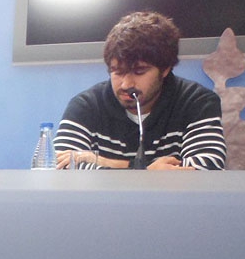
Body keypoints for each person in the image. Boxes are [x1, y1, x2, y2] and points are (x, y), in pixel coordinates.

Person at [54, 11, 225, 170]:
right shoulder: (86, 105)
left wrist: (106, 163)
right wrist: (148, 172)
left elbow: (207, 166)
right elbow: (64, 165)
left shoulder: (196, 101)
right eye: (118, 72)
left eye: (139, 71)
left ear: (165, 69)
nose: (126, 84)